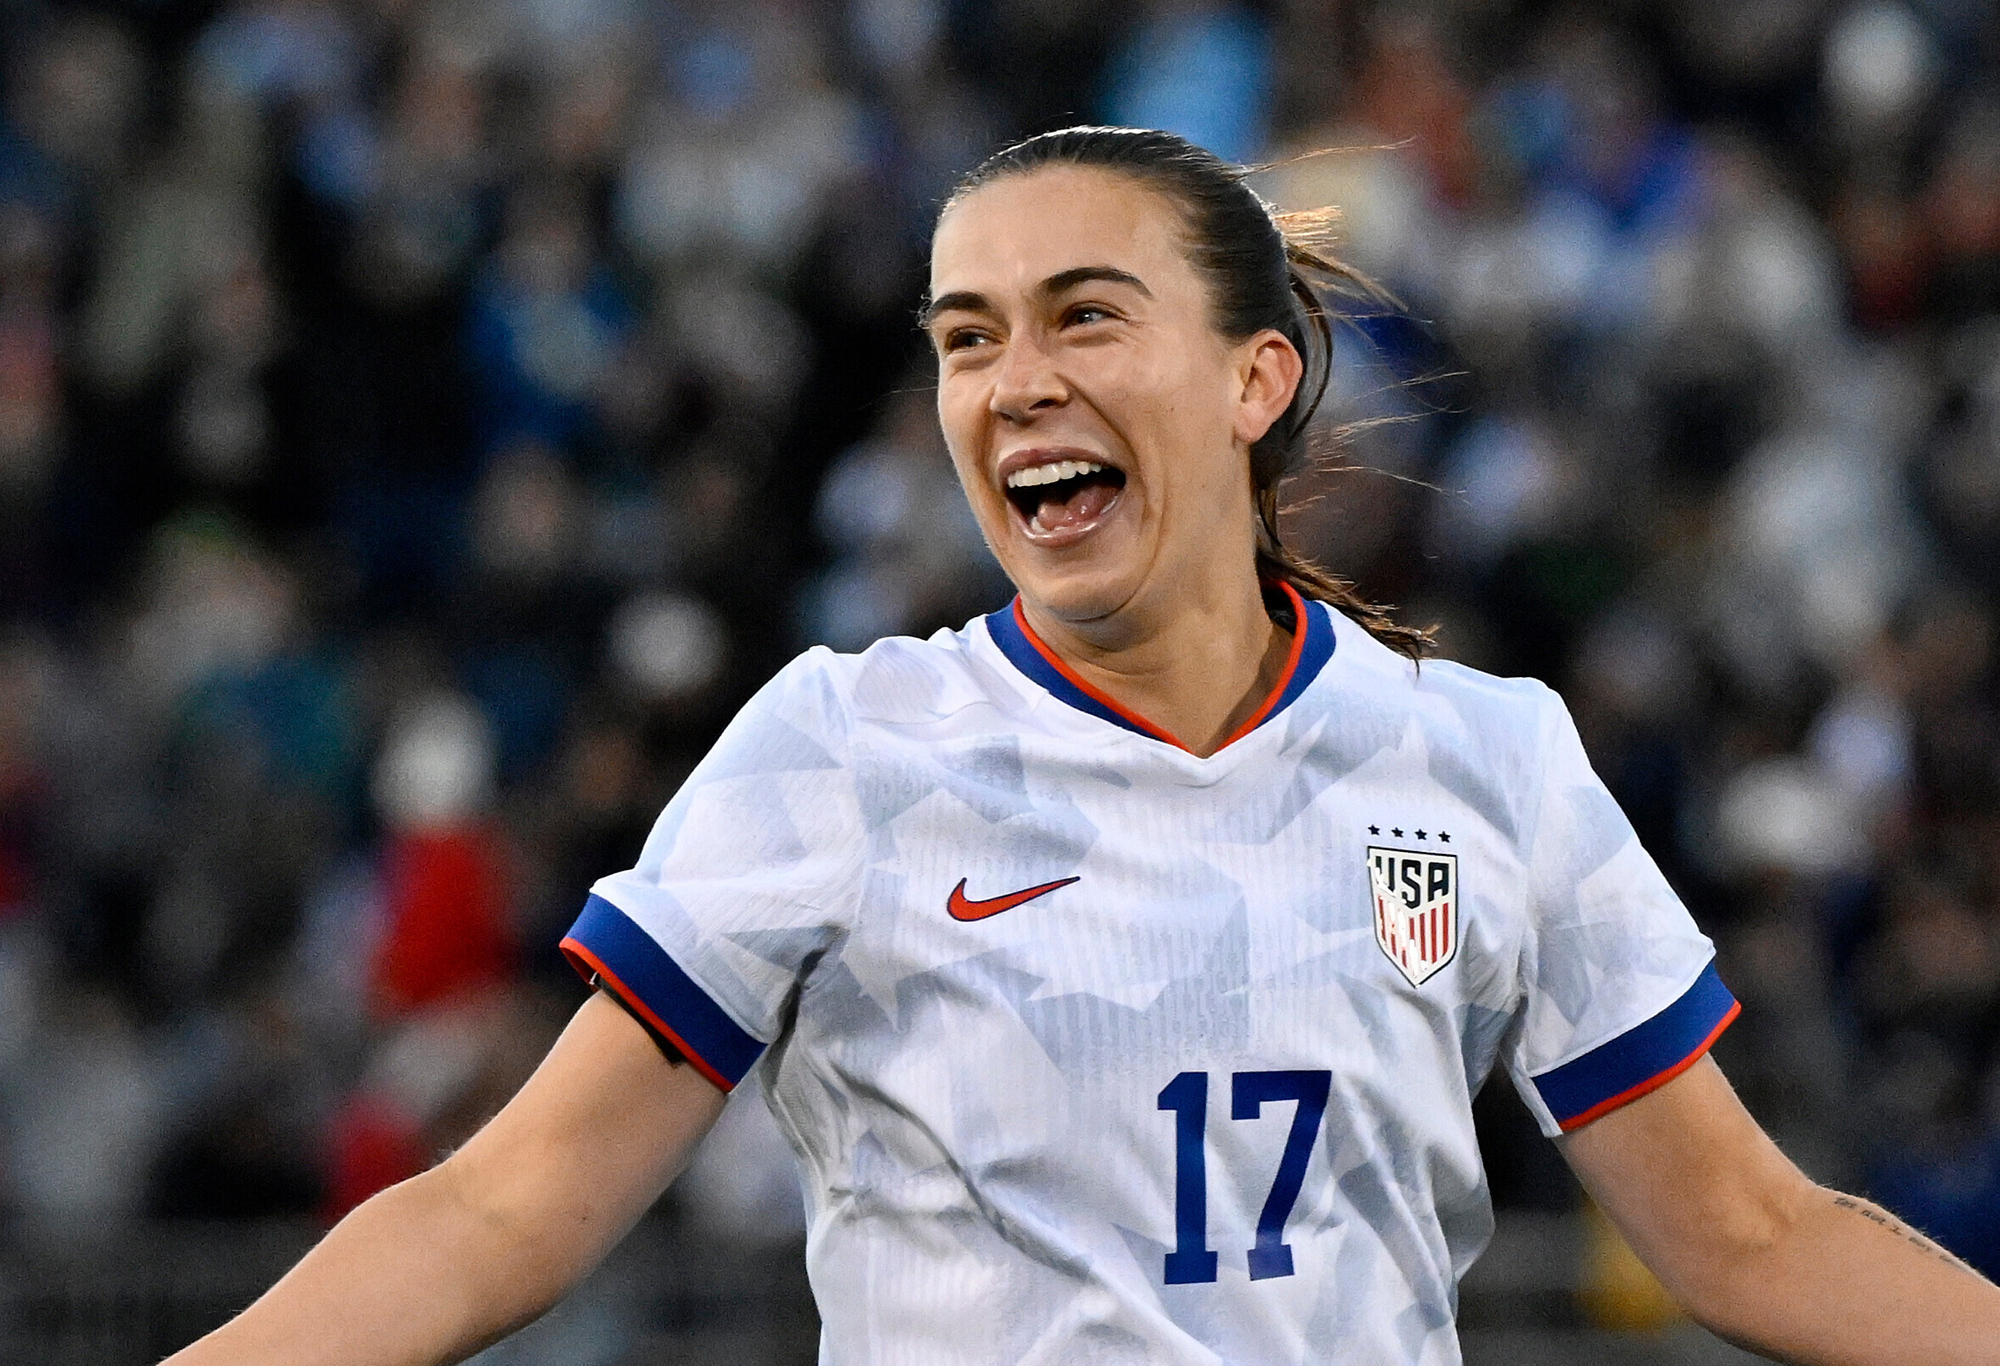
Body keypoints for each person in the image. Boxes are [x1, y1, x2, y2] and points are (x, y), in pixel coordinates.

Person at [167, 127, 2000, 1366]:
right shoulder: (841, 749)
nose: (1010, 381)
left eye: (1083, 317)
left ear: (1253, 377)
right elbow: (501, 1205)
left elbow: (1753, 1235)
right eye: (966, 339)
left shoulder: (1486, 764)